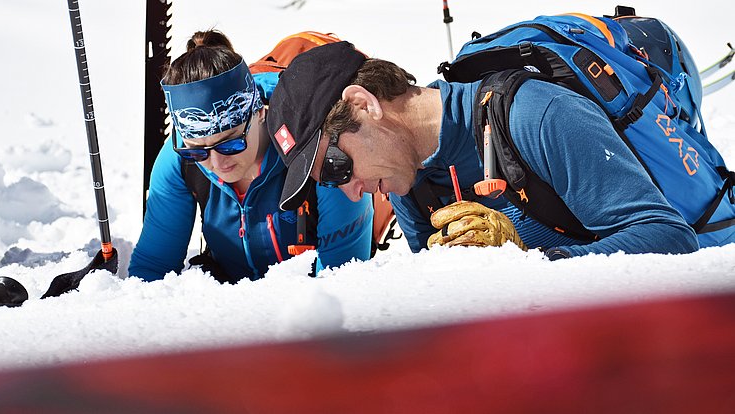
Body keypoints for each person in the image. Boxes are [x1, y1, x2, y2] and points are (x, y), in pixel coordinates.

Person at [266, 41, 716, 259]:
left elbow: (670, 237)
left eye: (335, 166)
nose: (351, 190)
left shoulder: (535, 114)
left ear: (363, 104)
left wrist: (527, 260)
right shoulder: (411, 183)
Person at [129, 31, 373, 282]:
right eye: (197, 151)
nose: (217, 163)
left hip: (309, 307)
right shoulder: (178, 160)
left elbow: (343, 277)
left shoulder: (320, 148)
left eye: (230, 143)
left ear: (259, 113)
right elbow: (152, 266)